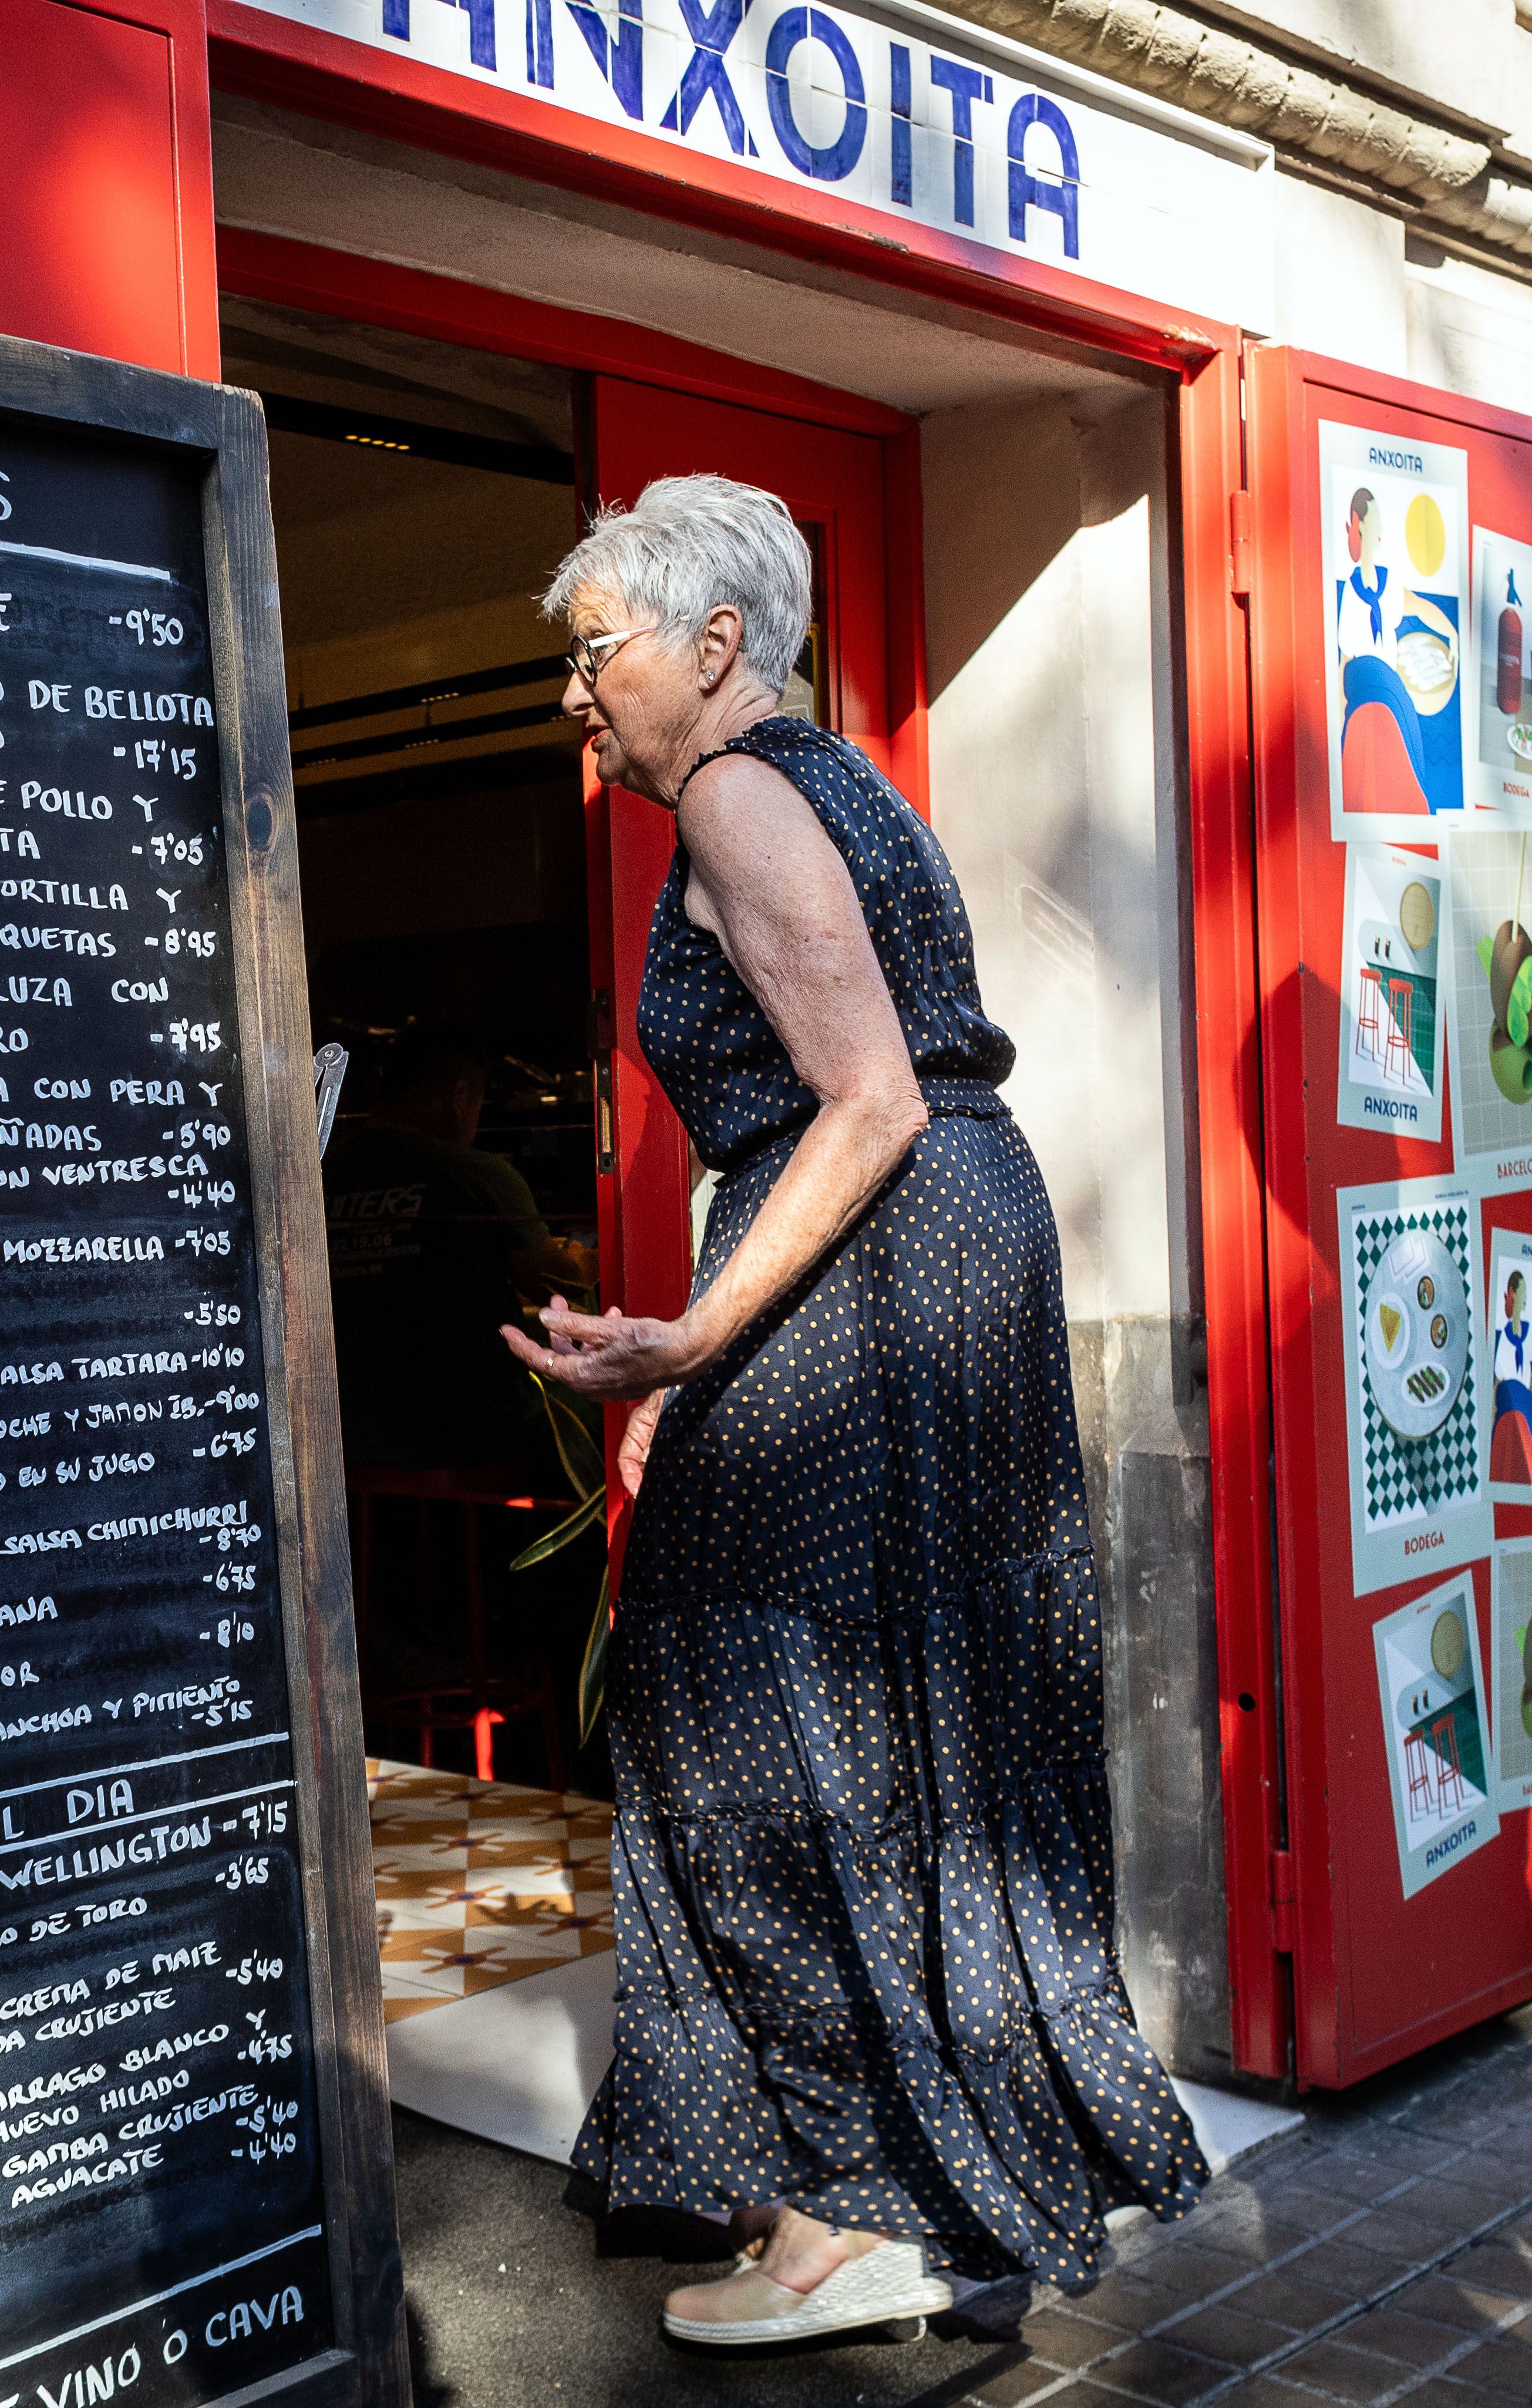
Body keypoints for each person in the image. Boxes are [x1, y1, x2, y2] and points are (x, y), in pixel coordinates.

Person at [499, 474, 1206, 2346]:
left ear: (710, 645)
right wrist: (706, 1358)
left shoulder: (737, 787)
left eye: (595, 651)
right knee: (903, 1707)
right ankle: (922, 2175)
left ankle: (835, 2211)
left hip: (882, 1250)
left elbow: (867, 1096)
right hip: (930, 1255)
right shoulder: (843, 779)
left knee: (743, 1708)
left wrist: (683, 1338)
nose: (575, 693)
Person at [320, 1027, 581, 1475]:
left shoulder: (321, 1174)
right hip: (472, 1437)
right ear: (461, 1096)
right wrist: (577, 1254)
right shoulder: (476, 1173)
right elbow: (555, 1285)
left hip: (343, 1438)